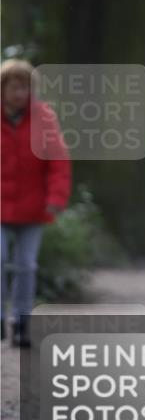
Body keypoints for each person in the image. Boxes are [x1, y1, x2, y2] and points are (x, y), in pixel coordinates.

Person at [1, 59, 71, 348]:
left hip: (33, 207)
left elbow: (58, 161)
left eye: (26, 87)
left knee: (27, 265)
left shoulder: (44, 117)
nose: (21, 93)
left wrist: (56, 198)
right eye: (15, 87)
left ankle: (22, 321)